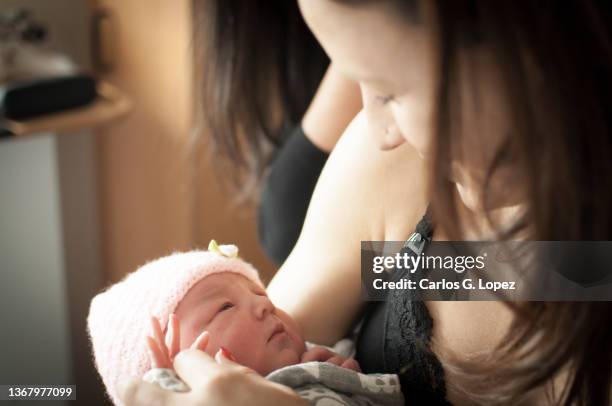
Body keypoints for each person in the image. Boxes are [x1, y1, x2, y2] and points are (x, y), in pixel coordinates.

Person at [121, 0, 612, 405]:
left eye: (389, 90)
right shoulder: (399, 175)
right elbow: (256, 356)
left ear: (528, 56)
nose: (378, 133)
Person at [88, 242, 403, 406]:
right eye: (225, 307)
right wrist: (166, 384)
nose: (265, 303)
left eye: (258, 292)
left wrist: (340, 377)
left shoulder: (319, 358)